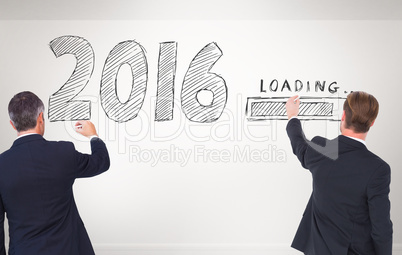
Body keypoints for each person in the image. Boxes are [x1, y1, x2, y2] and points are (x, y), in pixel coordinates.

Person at [0, 91, 110, 255]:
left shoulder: (2, 165)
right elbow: (101, 162)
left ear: (12, 124)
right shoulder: (64, 152)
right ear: (40, 117)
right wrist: (93, 136)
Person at [285, 92, 392, 255]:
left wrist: (292, 116)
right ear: (372, 122)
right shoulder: (377, 168)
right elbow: (381, 228)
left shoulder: (320, 149)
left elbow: (298, 143)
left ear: (343, 116)